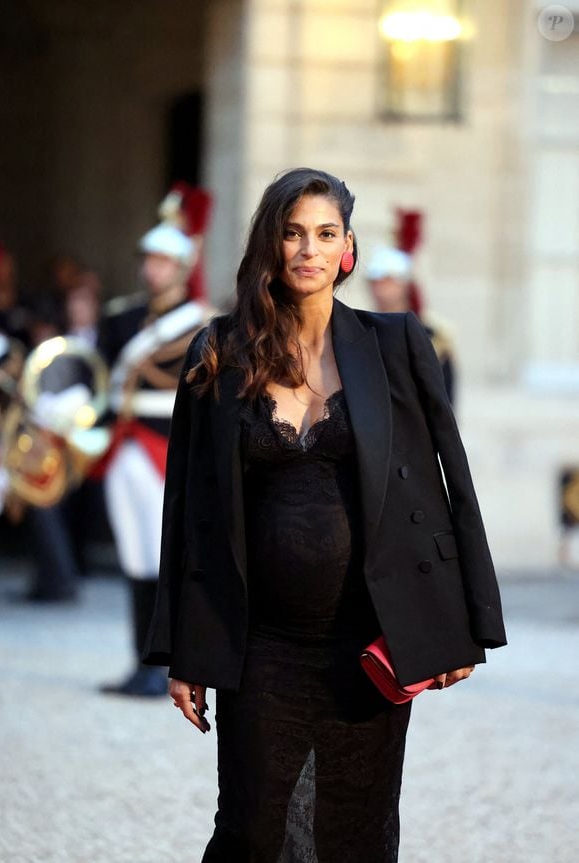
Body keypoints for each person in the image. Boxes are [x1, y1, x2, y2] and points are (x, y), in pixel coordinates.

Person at [143, 168, 507, 861]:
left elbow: (450, 484)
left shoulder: (396, 343)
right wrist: (182, 649)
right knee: (250, 827)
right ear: (270, 246)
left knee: (356, 830)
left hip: (370, 639)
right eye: (291, 233)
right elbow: (188, 509)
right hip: (260, 642)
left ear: (347, 247)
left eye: (325, 233)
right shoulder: (219, 351)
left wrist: (465, 626)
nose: (307, 249)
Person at [98, 220, 214, 697]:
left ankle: (165, 665)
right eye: (149, 260)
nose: (153, 269)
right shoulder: (122, 319)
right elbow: (104, 380)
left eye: (163, 261)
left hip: (167, 444)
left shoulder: (201, 324)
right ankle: (138, 661)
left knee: (162, 557)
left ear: (183, 268)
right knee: (134, 558)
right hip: (123, 442)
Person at [366, 244, 457, 404]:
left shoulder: (432, 337)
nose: (380, 287)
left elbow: (444, 401)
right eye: (375, 281)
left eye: (388, 280)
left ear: (404, 284)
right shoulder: (361, 330)